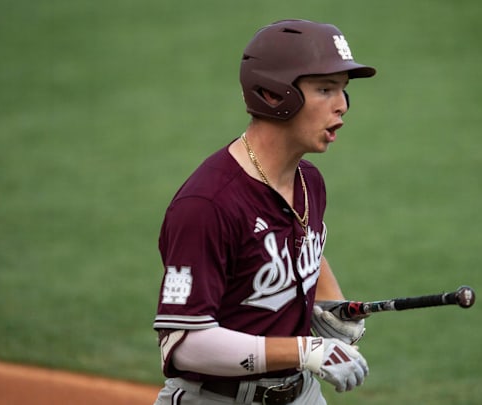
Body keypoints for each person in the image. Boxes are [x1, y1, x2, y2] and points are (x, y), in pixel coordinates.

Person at [152, 19, 376, 405]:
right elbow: (185, 345)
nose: (342, 105)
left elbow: (302, 245)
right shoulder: (207, 205)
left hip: (301, 395)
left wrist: (332, 308)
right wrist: (306, 351)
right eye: (326, 89)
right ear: (275, 95)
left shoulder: (309, 180)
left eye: (343, 90)